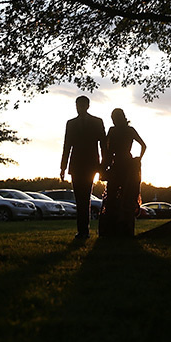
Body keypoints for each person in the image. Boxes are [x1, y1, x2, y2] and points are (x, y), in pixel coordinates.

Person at [60, 95, 106, 240]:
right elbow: (67, 145)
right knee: (80, 199)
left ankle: (84, 231)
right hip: (76, 164)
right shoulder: (71, 123)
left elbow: (103, 145)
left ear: (87, 106)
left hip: (91, 164)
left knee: (85, 196)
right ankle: (82, 230)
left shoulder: (97, 122)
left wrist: (103, 166)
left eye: (81, 105)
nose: (78, 108)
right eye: (77, 105)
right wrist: (63, 167)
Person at [99, 108, 147, 237]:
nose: (113, 121)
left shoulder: (115, 130)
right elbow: (143, 145)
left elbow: (107, 149)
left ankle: (116, 228)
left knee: (120, 195)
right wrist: (138, 159)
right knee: (118, 196)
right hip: (123, 164)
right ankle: (118, 227)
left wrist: (138, 159)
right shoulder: (125, 130)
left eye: (114, 119)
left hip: (121, 165)